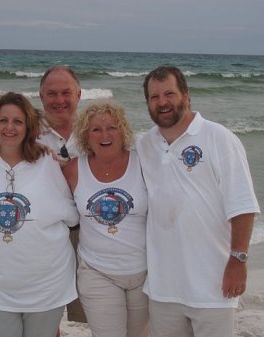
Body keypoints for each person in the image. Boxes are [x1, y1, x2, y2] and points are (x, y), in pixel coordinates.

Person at [137, 65, 260, 337]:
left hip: (212, 286)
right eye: (154, 97)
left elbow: (243, 206)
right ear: (147, 103)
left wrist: (238, 260)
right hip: (163, 287)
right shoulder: (144, 145)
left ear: (186, 96)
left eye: (169, 93)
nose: (162, 102)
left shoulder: (219, 138)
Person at [0, 92, 79, 337]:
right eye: (3, 120)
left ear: (28, 127)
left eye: (18, 121)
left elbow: (71, 214)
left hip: (47, 283)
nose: (9, 127)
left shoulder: (46, 161)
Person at [63, 100, 149, 337]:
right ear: (85, 136)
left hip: (146, 272)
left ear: (123, 131)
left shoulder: (143, 164)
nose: (105, 135)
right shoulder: (72, 169)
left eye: (112, 127)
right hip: (97, 271)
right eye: (96, 129)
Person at [38, 65, 88, 328]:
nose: (59, 100)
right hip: (45, 233)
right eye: (52, 93)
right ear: (41, 96)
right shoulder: (25, 134)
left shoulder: (96, 131)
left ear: (79, 94)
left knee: (101, 310)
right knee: (46, 314)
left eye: (66, 93)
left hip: (92, 231)